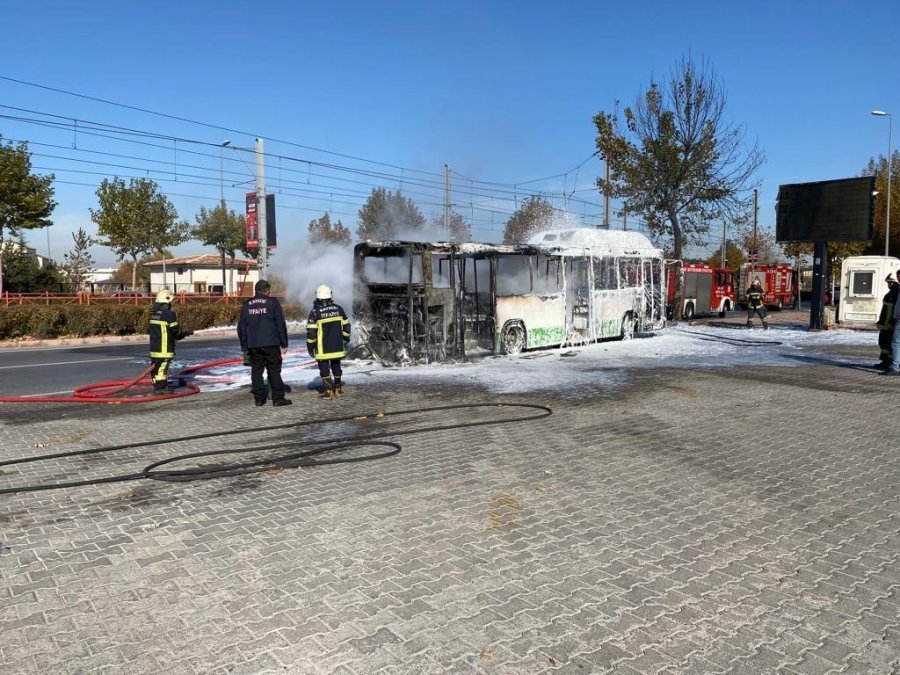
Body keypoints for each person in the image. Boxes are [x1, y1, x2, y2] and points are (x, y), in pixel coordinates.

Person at [238, 279, 291, 406]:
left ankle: (259, 399)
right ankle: (278, 399)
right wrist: (284, 343)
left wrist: (244, 346)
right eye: (269, 291)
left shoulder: (246, 305)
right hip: (271, 343)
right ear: (266, 291)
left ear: (256, 291)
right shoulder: (272, 302)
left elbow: (241, 327)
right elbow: (280, 324)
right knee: (274, 370)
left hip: (253, 344)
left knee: (256, 371)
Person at [306, 284, 350, 399]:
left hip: (323, 349)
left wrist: (310, 346)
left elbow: (311, 332)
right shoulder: (338, 309)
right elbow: (347, 325)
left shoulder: (315, 312)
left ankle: (328, 391)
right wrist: (345, 338)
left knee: (324, 368)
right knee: (336, 365)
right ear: (330, 296)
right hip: (337, 346)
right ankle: (338, 389)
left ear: (318, 297)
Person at [149, 289, 192, 392]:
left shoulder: (154, 314)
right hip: (164, 350)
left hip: (155, 349)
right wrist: (185, 333)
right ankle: (161, 389)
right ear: (167, 301)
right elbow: (176, 331)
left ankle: (156, 385)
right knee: (161, 370)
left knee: (155, 369)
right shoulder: (169, 314)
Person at [873, 273, 900, 369]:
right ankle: (886, 361)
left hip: (890, 323)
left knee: (889, 342)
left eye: (889, 283)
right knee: (884, 341)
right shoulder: (892, 293)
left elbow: (892, 310)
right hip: (886, 322)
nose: (888, 285)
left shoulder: (895, 293)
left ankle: (890, 362)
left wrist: (890, 322)